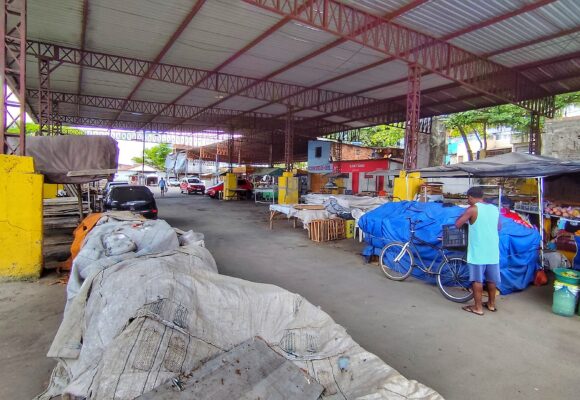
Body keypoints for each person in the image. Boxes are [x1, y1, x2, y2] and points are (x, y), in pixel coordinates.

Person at [455, 186, 501, 316]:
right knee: (492, 280)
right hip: (493, 250)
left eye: (467, 198)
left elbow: (458, 224)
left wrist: (463, 217)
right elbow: (499, 227)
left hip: (478, 251)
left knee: (477, 280)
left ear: (470, 197)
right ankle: (491, 305)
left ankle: (478, 307)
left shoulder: (473, 209)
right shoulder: (494, 209)